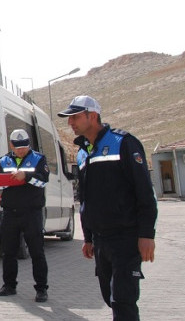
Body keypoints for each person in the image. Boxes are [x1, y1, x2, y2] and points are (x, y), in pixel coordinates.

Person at [58, 95, 157, 321]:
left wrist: (146, 234)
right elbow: (86, 199)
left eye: (74, 117)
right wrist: (89, 237)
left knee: (123, 301)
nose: (70, 123)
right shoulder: (83, 153)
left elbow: (144, 192)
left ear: (92, 116)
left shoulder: (123, 143)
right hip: (101, 241)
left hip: (126, 237)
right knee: (108, 296)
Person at [0, 129, 50, 302]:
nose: (21, 150)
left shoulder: (39, 159)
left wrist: (26, 176)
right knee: (8, 252)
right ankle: (9, 285)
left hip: (31, 213)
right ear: (11, 145)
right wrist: (4, 181)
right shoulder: (4, 160)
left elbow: (43, 180)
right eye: (17, 147)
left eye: (24, 147)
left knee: (37, 252)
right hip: (10, 213)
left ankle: (41, 289)